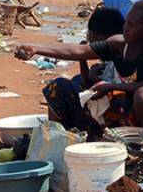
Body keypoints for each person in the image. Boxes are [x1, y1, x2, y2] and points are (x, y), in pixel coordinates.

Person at [17, 0, 143, 133]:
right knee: (61, 87)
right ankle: (64, 137)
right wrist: (36, 48)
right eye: (126, 22)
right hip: (125, 108)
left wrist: (110, 86)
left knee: (141, 95)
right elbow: (78, 51)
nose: (126, 28)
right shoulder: (119, 43)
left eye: (132, 25)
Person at [38, 8, 125, 137]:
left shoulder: (119, 60)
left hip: (109, 121)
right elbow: (87, 82)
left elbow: (104, 91)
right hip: (104, 110)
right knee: (77, 80)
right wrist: (83, 62)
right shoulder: (115, 57)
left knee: (58, 86)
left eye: (92, 36)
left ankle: (55, 135)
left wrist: (94, 77)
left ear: (102, 38)